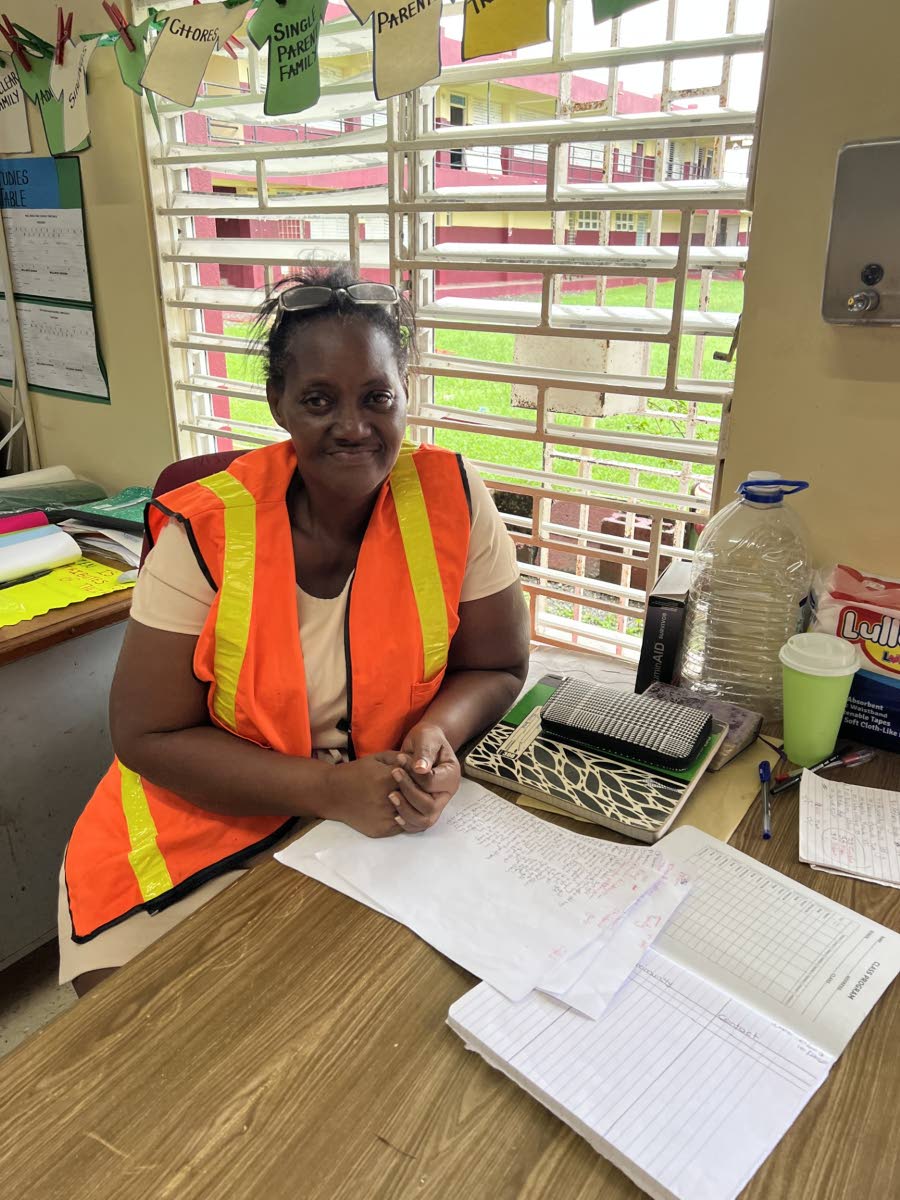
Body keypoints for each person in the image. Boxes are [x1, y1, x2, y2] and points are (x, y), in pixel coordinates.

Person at [59, 266, 530, 996]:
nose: (353, 426)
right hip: (196, 833)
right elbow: (145, 737)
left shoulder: (455, 499)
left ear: (405, 395)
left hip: (367, 826)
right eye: (318, 400)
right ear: (278, 404)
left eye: (377, 398)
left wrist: (439, 730)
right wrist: (330, 789)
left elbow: (497, 665)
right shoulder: (203, 533)